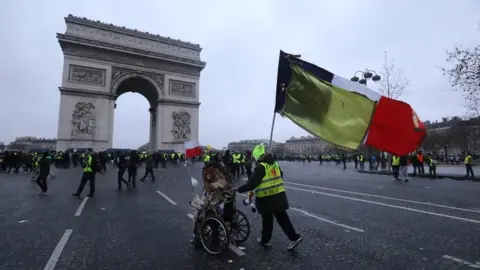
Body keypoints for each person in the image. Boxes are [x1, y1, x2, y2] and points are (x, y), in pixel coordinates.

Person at [236, 144, 302, 251]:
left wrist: (238, 189)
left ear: (256, 156)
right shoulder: (274, 164)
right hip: (279, 195)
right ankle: (294, 237)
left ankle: (266, 240)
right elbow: (281, 174)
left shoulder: (260, 167)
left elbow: (251, 184)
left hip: (266, 198)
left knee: (267, 220)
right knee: (283, 219)